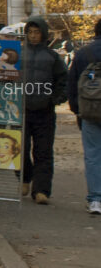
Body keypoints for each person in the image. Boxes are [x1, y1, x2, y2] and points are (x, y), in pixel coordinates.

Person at [21, 16, 68, 205]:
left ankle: (41, 190)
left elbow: (64, 80)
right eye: (30, 32)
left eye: (36, 32)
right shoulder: (18, 54)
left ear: (43, 34)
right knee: (20, 148)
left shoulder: (52, 57)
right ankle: (25, 177)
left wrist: (55, 99)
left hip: (44, 111)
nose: (33, 36)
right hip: (21, 110)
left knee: (43, 151)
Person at [68, 18, 101, 215]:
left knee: (93, 155)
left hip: (89, 110)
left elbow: (72, 84)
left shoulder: (83, 53)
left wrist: (77, 109)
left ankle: (96, 199)